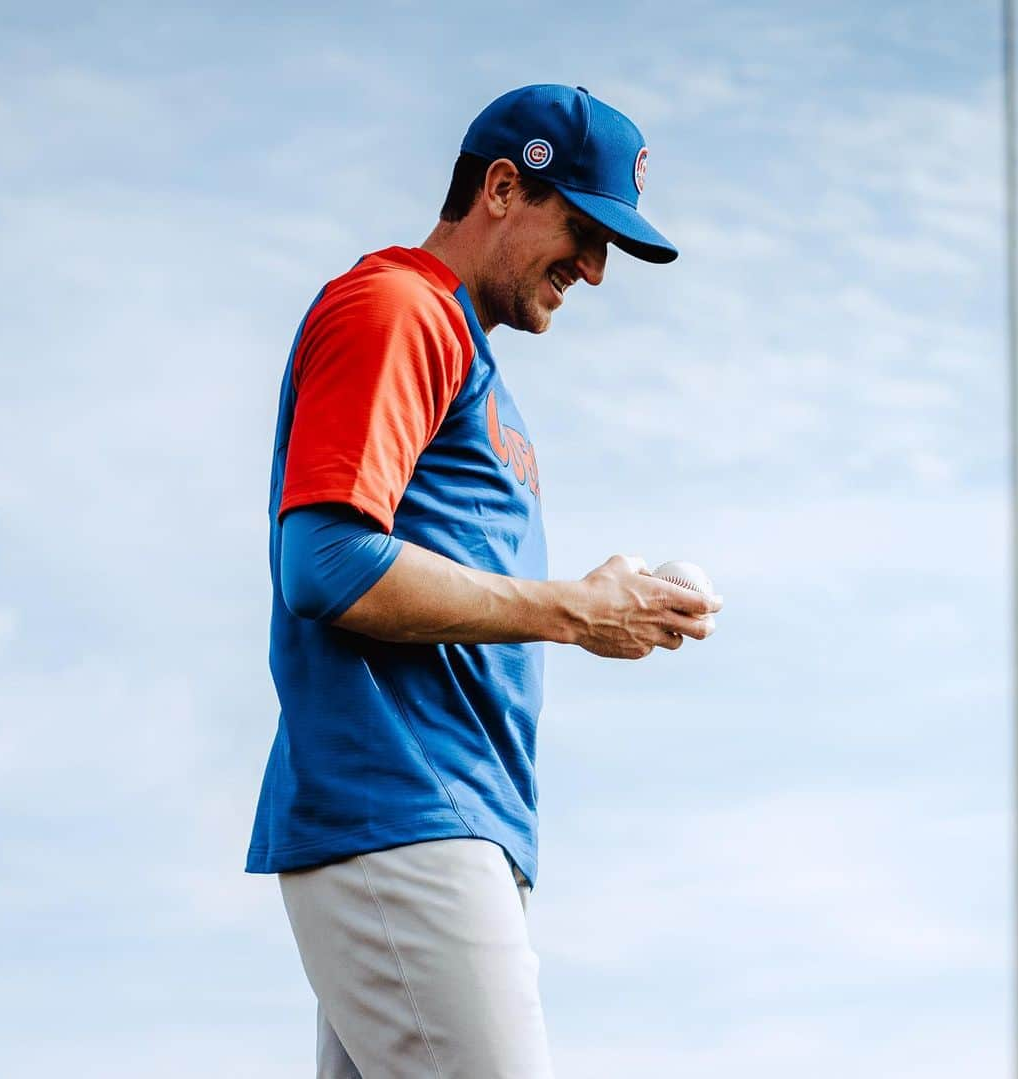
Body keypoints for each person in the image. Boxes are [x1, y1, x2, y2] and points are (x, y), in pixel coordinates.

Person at [246, 83, 722, 1079]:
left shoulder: (463, 352)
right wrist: (572, 610)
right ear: (503, 186)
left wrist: (602, 593)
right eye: (585, 231)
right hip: (404, 806)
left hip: (445, 820)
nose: (594, 269)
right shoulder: (397, 307)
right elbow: (323, 561)